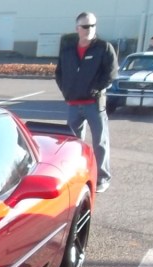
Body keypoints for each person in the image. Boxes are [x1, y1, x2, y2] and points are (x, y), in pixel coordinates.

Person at [55, 11, 117, 193]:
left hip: (94, 104)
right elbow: (59, 73)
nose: (90, 29)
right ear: (77, 29)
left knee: (100, 142)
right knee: (73, 143)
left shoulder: (103, 48)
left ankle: (102, 178)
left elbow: (111, 72)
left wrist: (97, 89)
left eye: (93, 25)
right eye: (86, 26)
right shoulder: (68, 50)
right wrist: (66, 91)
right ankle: (77, 174)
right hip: (73, 104)